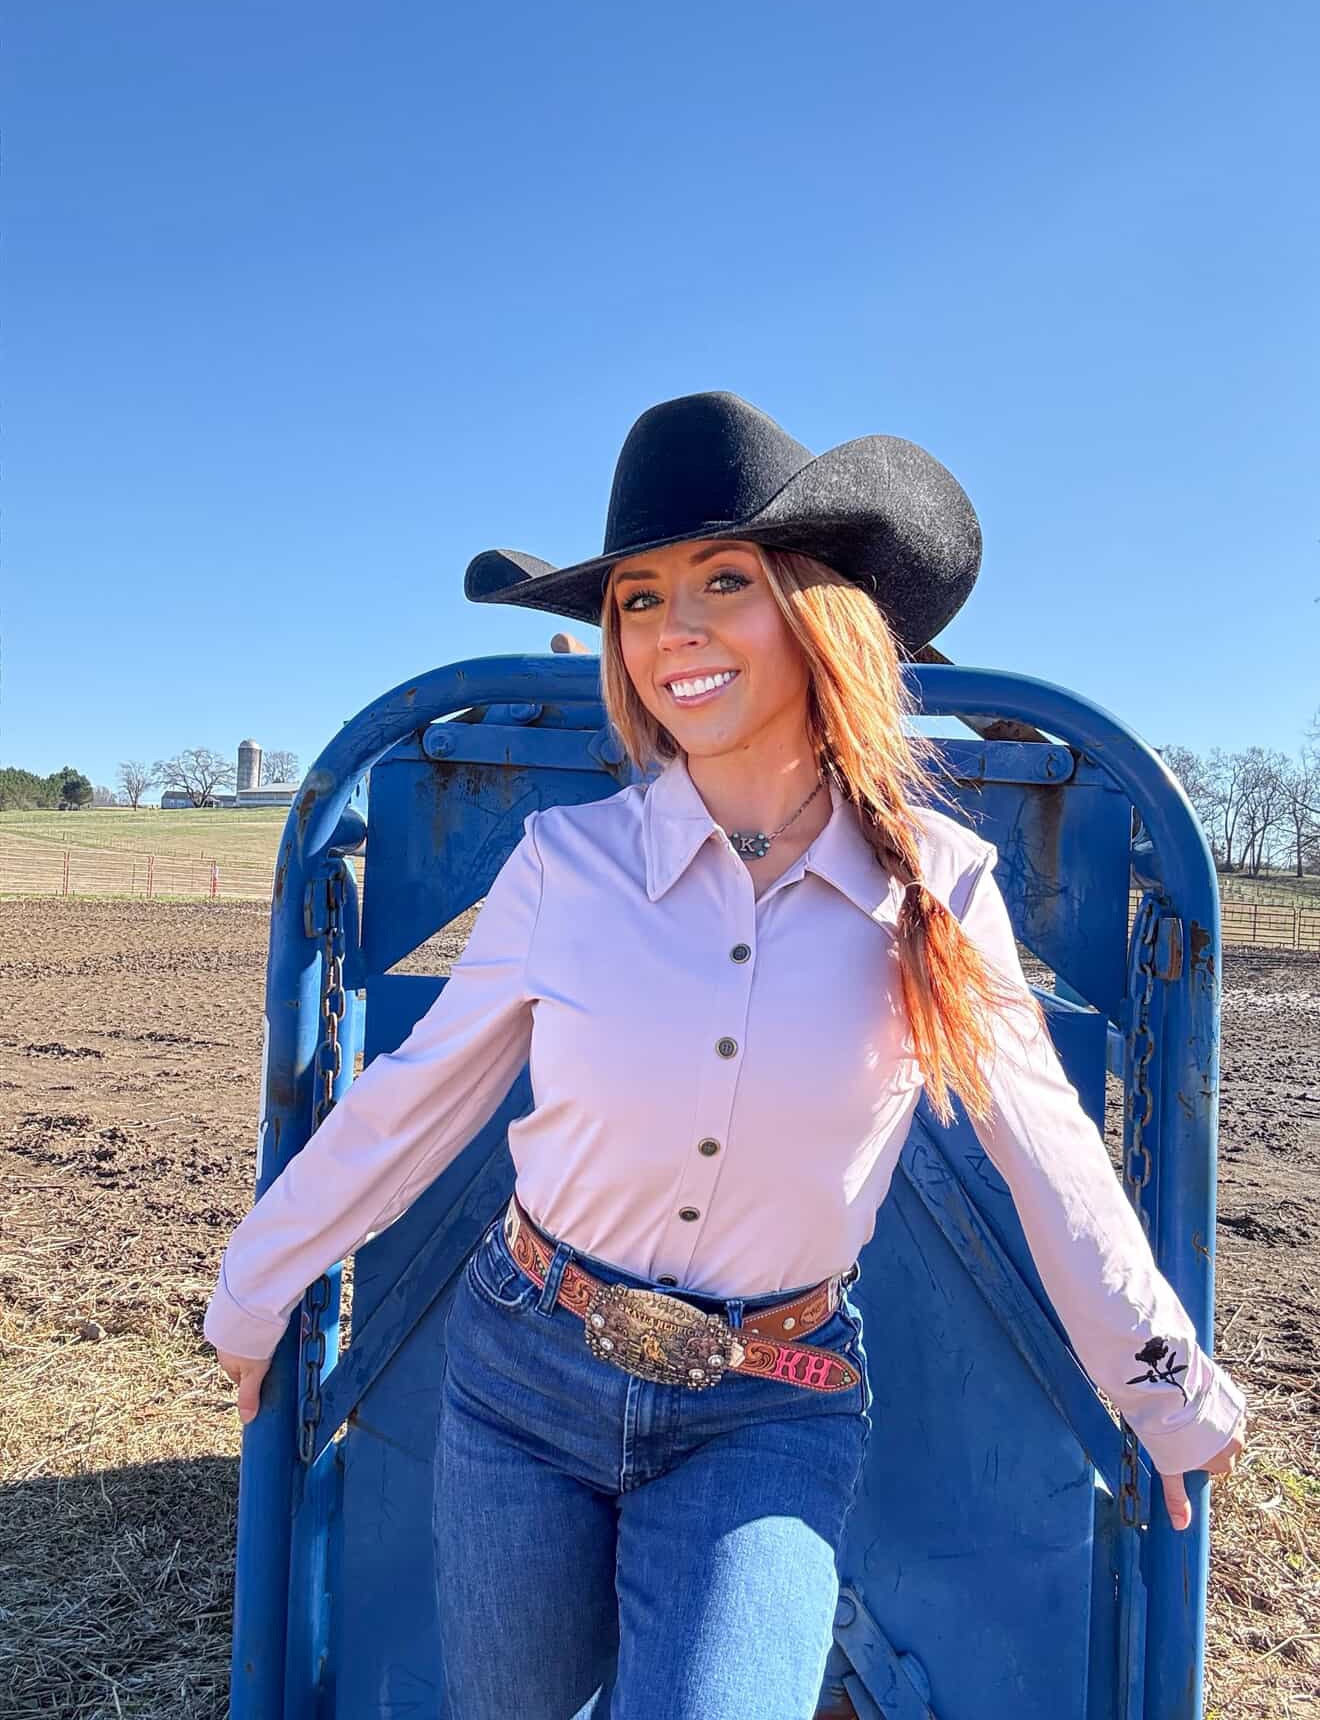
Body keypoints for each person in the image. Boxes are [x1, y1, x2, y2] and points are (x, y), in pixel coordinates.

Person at [206, 392, 1248, 1720]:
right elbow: (410, 1105)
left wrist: (1163, 1382)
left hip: (773, 1406)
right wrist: (254, 1286)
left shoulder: (936, 889)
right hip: (523, 1376)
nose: (671, 631)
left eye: (722, 581)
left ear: (818, 611)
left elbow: (1051, 1157)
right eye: (637, 599)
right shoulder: (566, 869)